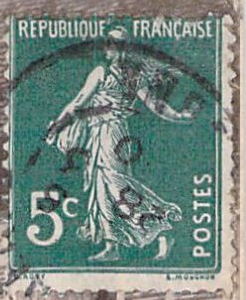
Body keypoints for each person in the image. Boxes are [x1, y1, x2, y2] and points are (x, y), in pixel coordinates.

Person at [46, 25, 194, 262]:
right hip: (104, 134)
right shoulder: (122, 75)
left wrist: (57, 126)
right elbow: (79, 103)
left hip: (111, 133)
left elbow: (78, 104)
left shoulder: (109, 74)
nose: (107, 48)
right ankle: (112, 245)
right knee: (103, 186)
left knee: (116, 185)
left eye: (112, 44)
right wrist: (179, 116)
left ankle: (161, 230)